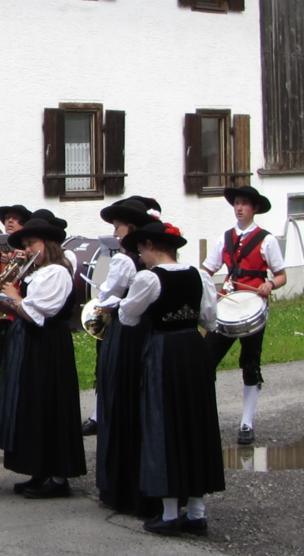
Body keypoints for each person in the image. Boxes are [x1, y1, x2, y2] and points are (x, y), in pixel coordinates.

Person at [118, 221, 224, 536]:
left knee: (162, 421)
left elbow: (127, 315)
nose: (140, 254)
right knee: (195, 421)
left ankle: (168, 513)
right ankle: (196, 511)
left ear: (151, 246)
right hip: (193, 349)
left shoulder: (149, 279)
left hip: (164, 350)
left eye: (141, 248)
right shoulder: (198, 275)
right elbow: (210, 318)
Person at [0, 218, 85, 499]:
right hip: (31, 343)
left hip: (48, 346)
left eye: (32, 244)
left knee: (49, 403)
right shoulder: (38, 272)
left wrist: (13, 297)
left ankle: (57, 476)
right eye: (26, 245)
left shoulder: (56, 272)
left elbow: (37, 313)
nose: (28, 250)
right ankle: (39, 470)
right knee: (32, 405)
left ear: (48, 244)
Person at [201, 185, 286, 445]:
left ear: (254, 208)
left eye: (244, 204)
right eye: (236, 203)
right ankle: (205, 419)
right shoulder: (224, 238)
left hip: (253, 308)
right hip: (228, 307)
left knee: (250, 364)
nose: (239, 208)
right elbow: (206, 269)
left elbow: (282, 275)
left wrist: (269, 284)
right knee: (204, 361)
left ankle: (246, 423)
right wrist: (209, 289)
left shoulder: (267, 240)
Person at [91, 199, 157, 514]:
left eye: (117, 226)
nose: (115, 232)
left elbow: (105, 295)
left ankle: (118, 484)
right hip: (147, 333)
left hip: (124, 332)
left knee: (118, 398)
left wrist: (106, 300)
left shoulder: (124, 261)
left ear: (128, 227)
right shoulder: (150, 260)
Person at [0, 204, 31, 373]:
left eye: (15, 218)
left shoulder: (28, 250)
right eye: (7, 218)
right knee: (2, 360)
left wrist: (19, 260)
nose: (9, 221)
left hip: (16, 312)